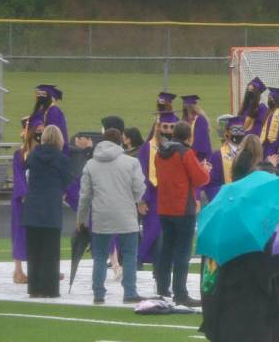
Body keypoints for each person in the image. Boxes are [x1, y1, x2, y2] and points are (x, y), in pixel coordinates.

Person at [77, 128, 146, 304]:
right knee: (130, 253)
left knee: (100, 255)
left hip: (101, 214)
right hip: (125, 213)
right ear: (120, 141)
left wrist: (81, 219)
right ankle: (130, 291)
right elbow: (140, 188)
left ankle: (98, 293)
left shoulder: (91, 164)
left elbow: (84, 195)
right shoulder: (131, 162)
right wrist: (134, 200)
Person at [154, 120, 211, 305]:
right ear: (189, 136)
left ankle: (162, 288)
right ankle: (180, 293)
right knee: (182, 252)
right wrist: (206, 170)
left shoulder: (160, 153)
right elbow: (199, 179)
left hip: (164, 206)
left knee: (166, 249)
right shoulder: (185, 153)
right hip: (183, 207)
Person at [22, 125, 72, 298]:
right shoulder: (62, 159)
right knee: (51, 250)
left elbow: (25, 175)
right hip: (51, 207)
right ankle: (50, 289)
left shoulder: (33, 155)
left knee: (34, 250)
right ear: (59, 139)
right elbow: (68, 181)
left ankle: (34, 288)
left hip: (33, 206)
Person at [137, 111, 176, 267]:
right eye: (165, 126)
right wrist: (142, 199)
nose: (168, 130)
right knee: (152, 230)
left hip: (172, 195)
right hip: (153, 194)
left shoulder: (178, 148)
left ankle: (165, 265)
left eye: (172, 127)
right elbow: (142, 174)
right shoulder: (147, 148)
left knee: (170, 232)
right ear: (158, 127)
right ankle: (137, 259)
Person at [11, 118, 39, 285]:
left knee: (38, 233)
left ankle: (39, 268)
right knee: (20, 232)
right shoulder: (20, 154)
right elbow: (19, 177)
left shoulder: (41, 152)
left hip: (38, 198)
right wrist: (25, 194)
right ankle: (18, 271)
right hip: (23, 199)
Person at [204, 118, 246, 201]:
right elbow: (212, 184)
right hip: (226, 200)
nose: (238, 133)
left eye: (241, 130)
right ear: (227, 133)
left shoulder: (249, 153)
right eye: (234, 130)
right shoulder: (218, 156)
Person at [29, 84, 68, 149]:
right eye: (38, 95)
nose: (40, 99)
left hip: (55, 147)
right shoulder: (41, 110)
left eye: (43, 96)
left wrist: (41, 128)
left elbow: (53, 131)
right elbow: (35, 119)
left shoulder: (54, 111)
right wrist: (38, 124)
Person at [180, 95, 213, 161]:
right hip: (186, 154)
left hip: (200, 156)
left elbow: (200, 141)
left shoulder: (200, 119)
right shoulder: (184, 120)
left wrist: (190, 153)